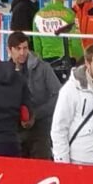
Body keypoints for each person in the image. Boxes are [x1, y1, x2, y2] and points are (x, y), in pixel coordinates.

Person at [7, 30, 61, 160]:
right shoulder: (4, 71)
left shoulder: (43, 68)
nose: (22, 52)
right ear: (9, 50)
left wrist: (36, 114)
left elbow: (59, 96)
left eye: (25, 48)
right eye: (18, 48)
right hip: (14, 129)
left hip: (41, 130)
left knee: (41, 170)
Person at [32, 0, 81, 82]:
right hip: (66, 63)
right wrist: (81, 60)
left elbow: (37, 45)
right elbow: (76, 43)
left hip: (46, 63)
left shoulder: (38, 15)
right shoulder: (70, 14)